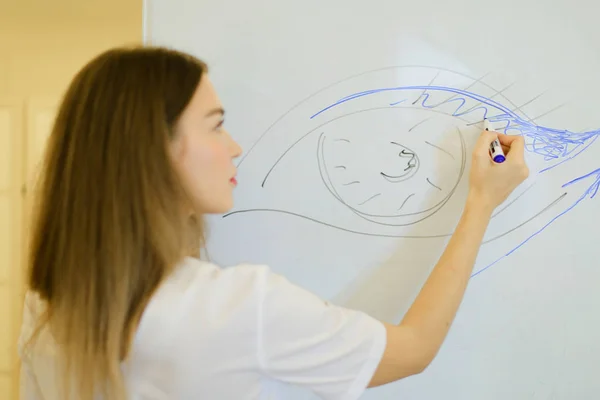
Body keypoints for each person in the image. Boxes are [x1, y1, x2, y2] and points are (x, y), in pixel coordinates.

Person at [17, 46, 529, 400]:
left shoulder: (47, 305)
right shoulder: (235, 307)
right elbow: (412, 350)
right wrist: (481, 202)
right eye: (216, 125)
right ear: (155, 150)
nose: (235, 146)